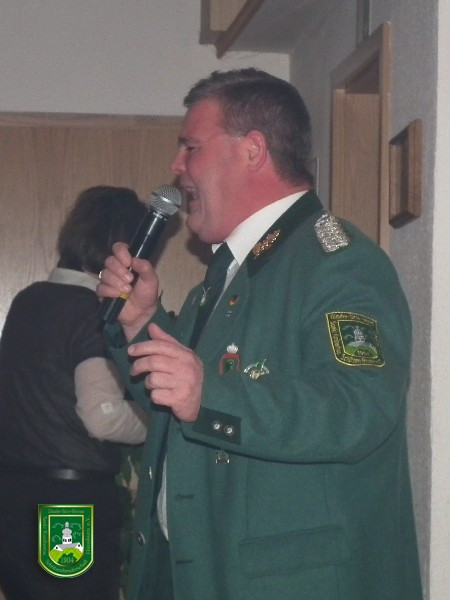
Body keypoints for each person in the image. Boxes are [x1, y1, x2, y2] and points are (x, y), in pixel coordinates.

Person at [97, 69, 423, 600]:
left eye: (191, 147)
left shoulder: (337, 262)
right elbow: (181, 404)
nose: (177, 166)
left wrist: (209, 394)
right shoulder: (227, 274)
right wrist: (138, 324)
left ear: (252, 150)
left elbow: (359, 407)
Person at [0, 186, 149, 600]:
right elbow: (102, 416)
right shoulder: (91, 311)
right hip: (68, 506)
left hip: (14, 498)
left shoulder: (28, 301)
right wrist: (158, 421)